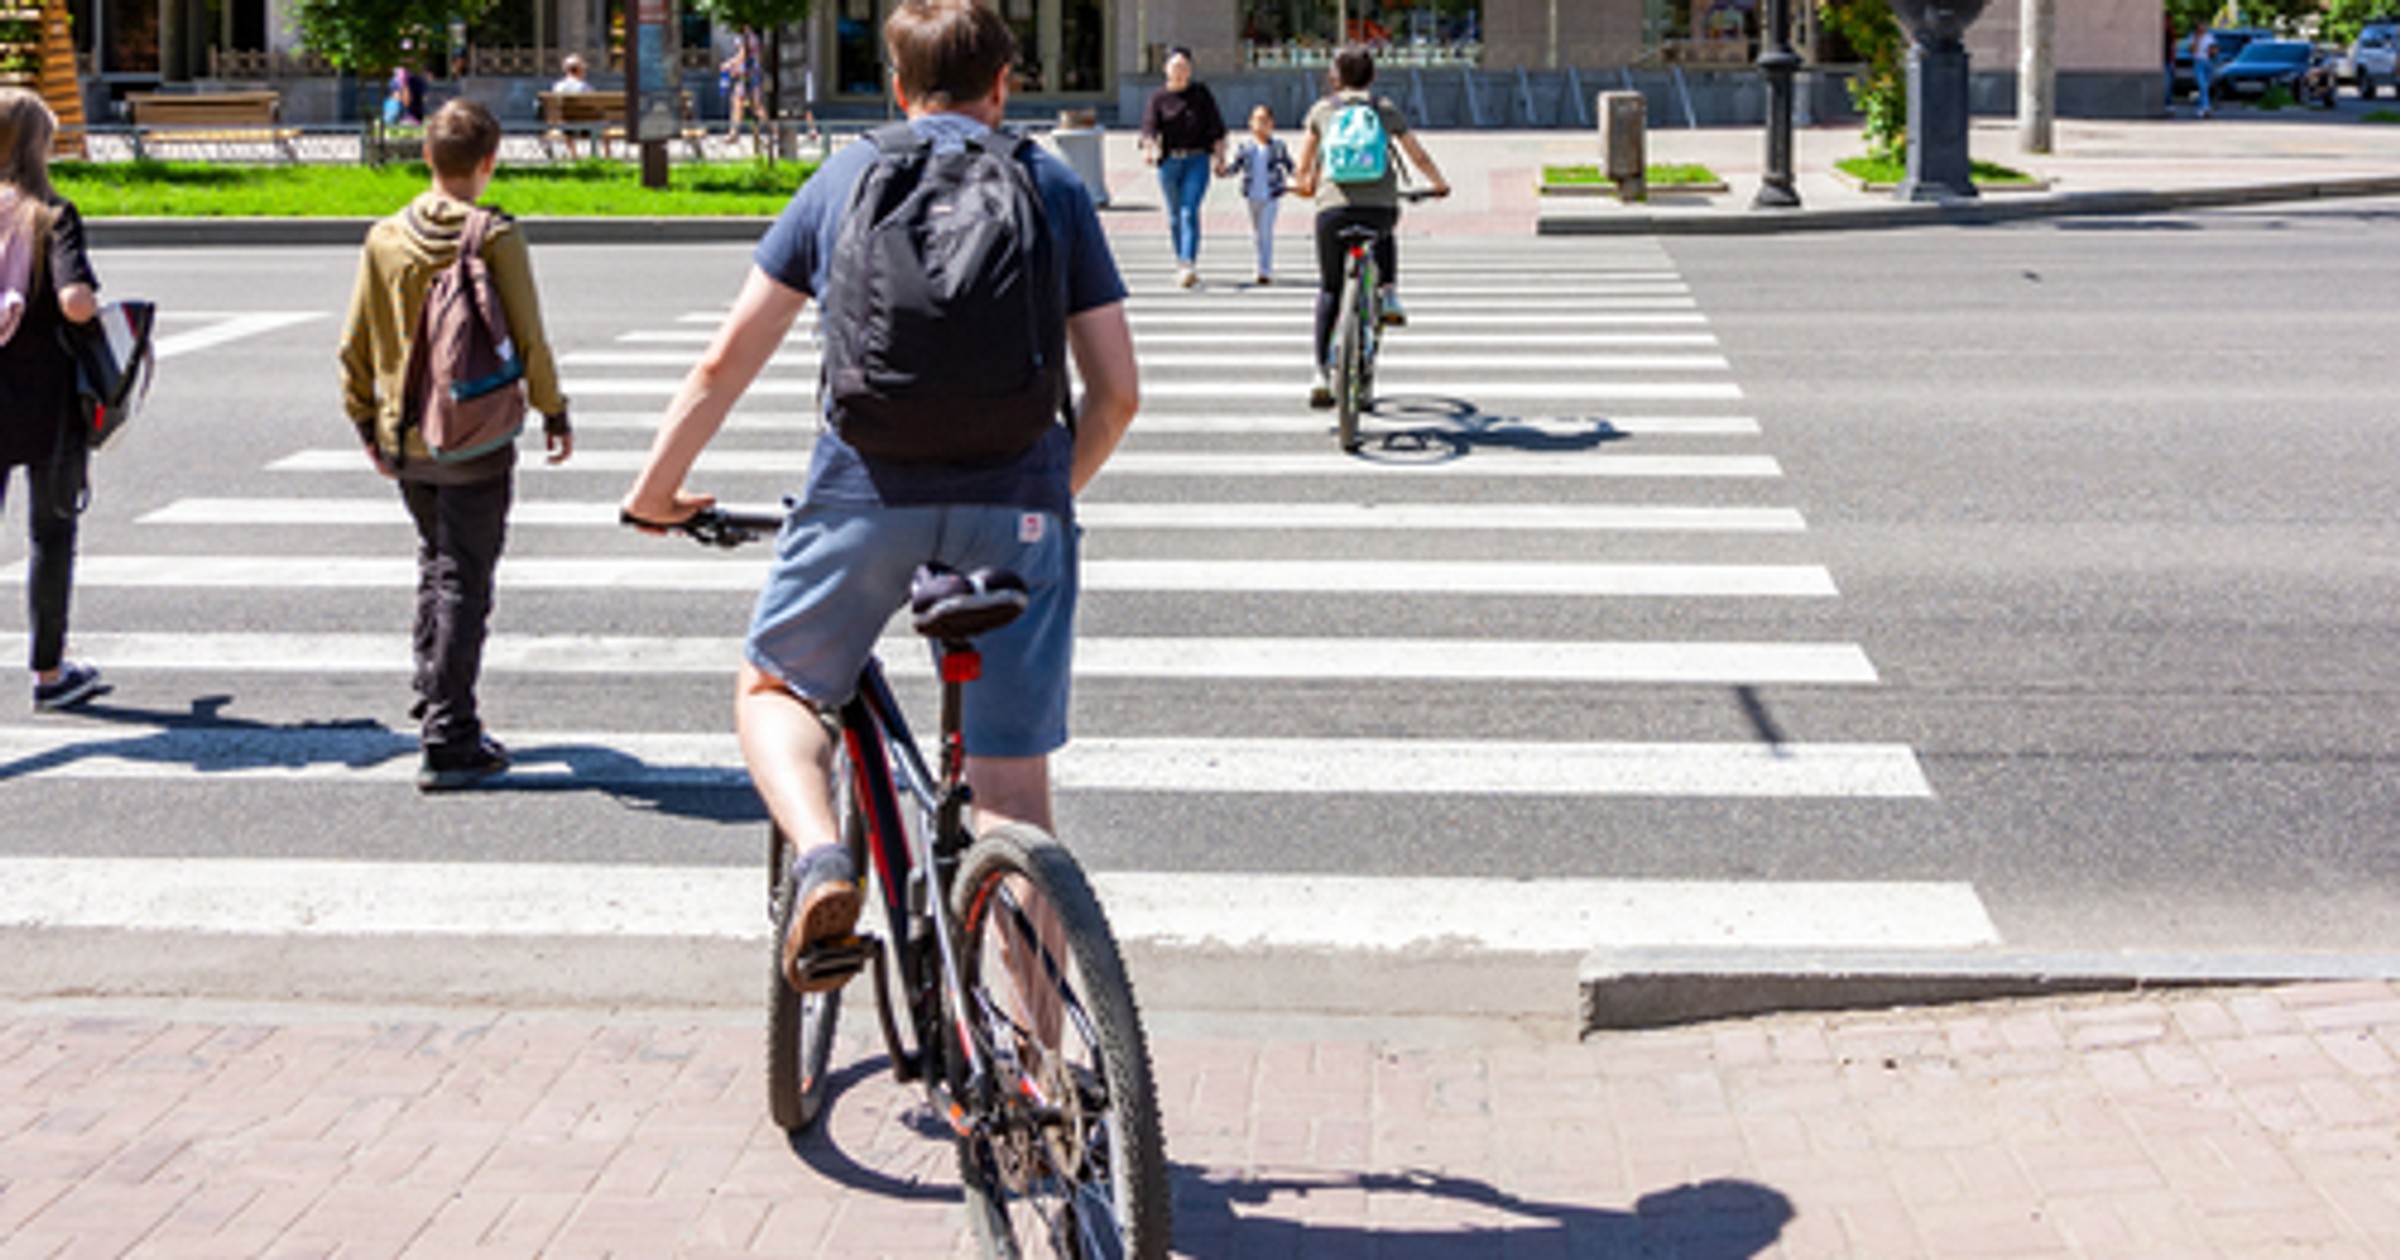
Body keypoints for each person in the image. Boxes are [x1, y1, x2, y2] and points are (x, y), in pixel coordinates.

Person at [619, 0, 1138, 989]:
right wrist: (1044, 498)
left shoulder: (846, 175)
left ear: (896, 88)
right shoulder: (1050, 184)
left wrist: (656, 491)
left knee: (775, 683)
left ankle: (821, 854)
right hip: (1018, 506)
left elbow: (727, 360)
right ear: (1003, 87)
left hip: (863, 496)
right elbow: (1117, 395)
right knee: (1015, 802)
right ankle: (1042, 1097)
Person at [339, 99, 573, 792]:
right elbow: (528, 337)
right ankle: (449, 734)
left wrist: (365, 424)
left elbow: (354, 344)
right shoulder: (496, 236)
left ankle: (429, 683)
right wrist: (554, 411)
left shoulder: (383, 238)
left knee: (437, 559)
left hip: (403, 434)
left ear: (425, 158)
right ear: (490, 162)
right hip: (476, 436)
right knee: (464, 577)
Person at [0, 89, 105, 712]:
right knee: (51, 532)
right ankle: (48, 673)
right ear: (40, 145)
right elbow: (75, 302)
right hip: (45, 398)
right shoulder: (51, 214)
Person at [1292, 44, 1449, 410]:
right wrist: (1438, 183)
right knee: (1384, 230)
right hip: (1378, 208)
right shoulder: (1383, 109)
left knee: (1330, 288)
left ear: (1335, 77)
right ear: (1372, 76)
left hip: (1332, 211)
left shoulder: (1322, 111)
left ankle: (1320, 373)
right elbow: (1417, 154)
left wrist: (1304, 186)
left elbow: (1303, 170)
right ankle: (1389, 292)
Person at [1138, 47, 1226, 289]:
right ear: (1166, 70)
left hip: (1197, 160)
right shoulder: (1158, 98)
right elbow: (1149, 129)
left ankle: (1188, 263)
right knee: (1175, 216)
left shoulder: (1201, 94)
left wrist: (1220, 158)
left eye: (1184, 68)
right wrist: (1149, 150)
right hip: (1169, 162)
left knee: (1189, 211)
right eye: (1176, 67)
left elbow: (1216, 129)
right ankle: (1181, 261)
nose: (1180, 73)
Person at [1220, 103, 1293, 285]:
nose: (1262, 125)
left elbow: (1289, 165)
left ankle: (1264, 269)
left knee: (1265, 231)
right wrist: (1223, 171)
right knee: (1257, 232)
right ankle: (1261, 263)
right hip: (1252, 195)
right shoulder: (1246, 147)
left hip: (1271, 194)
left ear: (1272, 124)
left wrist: (1299, 179)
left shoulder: (1277, 146)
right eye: (1258, 120)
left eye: (1266, 121)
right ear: (1251, 124)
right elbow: (1236, 167)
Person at [720, 28, 763, 145]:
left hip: (750, 76)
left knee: (755, 106)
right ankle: (734, 133)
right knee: (738, 102)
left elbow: (743, 54)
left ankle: (770, 131)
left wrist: (730, 63)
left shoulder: (748, 36)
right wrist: (736, 68)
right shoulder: (745, 36)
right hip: (746, 75)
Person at [550, 53, 593, 159]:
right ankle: (606, 156)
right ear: (579, 71)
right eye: (583, 70)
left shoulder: (558, 86)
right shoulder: (585, 87)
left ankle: (574, 154)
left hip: (564, 126)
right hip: (585, 127)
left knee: (566, 121)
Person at [2192, 23, 2218, 118]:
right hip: (2199, 62)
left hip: (2209, 62)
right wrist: (2197, 40)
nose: (2202, 28)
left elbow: (2215, 49)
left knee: (2205, 87)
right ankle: (2206, 107)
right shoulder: (2193, 37)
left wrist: (2212, 51)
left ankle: (2201, 108)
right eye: (2200, 27)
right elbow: (2193, 50)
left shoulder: (2209, 37)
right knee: (2202, 85)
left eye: (2204, 27)